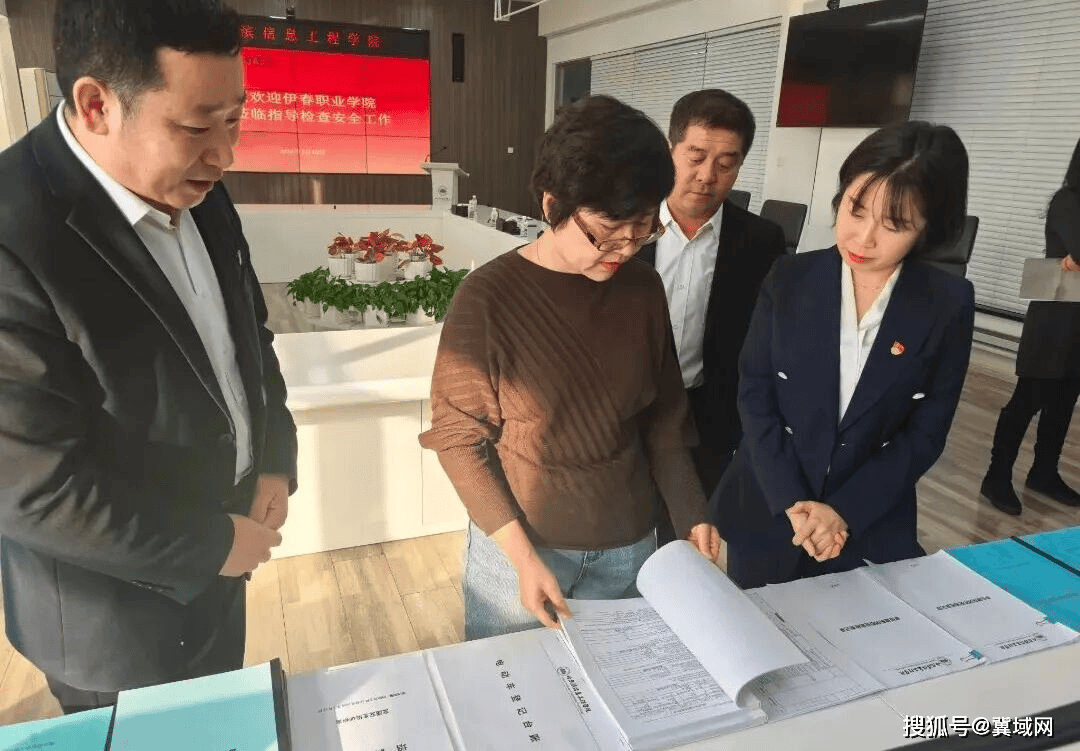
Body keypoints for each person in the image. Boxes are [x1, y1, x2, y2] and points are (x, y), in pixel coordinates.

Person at [0, 0, 297, 713]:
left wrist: (273, 457)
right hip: (112, 622)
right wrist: (209, 545)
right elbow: (30, 486)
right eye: (196, 127)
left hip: (222, 569)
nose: (225, 155)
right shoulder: (15, 235)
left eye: (235, 119)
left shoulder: (198, 187)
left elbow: (248, 337)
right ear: (97, 105)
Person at [419, 95, 721, 640]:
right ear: (552, 204)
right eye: (606, 231)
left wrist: (692, 513)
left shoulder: (642, 289)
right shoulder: (487, 297)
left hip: (630, 551)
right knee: (515, 685)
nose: (625, 248)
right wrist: (521, 557)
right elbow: (459, 439)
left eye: (643, 228)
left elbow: (664, 419)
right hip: (523, 550)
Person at [709, 121, 975, 589]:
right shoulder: (788, 278)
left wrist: (843, 512)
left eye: (894, 225)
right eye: (856, 209)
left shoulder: (947, 304)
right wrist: (793, 502)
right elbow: (755, 394)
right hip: (771, 504)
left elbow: (926, 431)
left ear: (928, 229)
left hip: (866, 519)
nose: (863, 238)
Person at [636, 89, 785, 543]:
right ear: (670, 150)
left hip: (709, 415)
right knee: (626, 530)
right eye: (696, 157)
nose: (706, 176)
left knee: (691, 534)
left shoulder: (761, 241)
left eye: (725, 163)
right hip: (627, 405)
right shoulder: (625, 224)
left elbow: (765, 340)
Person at [980, 137, 1080, 515]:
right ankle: (997, 476)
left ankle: (1044, 473)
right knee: (1029, 398)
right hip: (1056, 315)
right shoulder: (1068, 199)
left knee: (1065, 400)